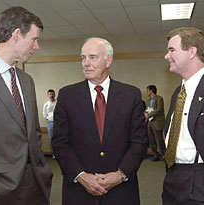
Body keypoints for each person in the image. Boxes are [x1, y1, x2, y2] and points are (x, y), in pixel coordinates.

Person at [0, 6, 53, 205]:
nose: (37, 47)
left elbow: (33, 133)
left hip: (36, 188)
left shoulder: (27, 80)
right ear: (16, 34)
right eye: (34, 39)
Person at [52, 37, 147, 205]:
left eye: (92, 57)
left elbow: (139, 142)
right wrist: (81, 176)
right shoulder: (67, 96)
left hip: (121, 192)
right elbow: (60, 143)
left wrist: (119, 175)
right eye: (83, 58)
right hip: (79, 193)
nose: (85, 63)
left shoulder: (130, 95)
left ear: (108, 60)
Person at [162, 27, 204, 204]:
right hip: (173, 177)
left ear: (192, 52)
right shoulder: (178, 93)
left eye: (172, 50)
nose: (166, 56)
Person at [145, 85, 166, 161]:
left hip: (157, 122)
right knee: (151, 139)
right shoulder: (147, 101)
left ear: (151, 91)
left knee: (159, 139)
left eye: (148, 90)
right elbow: (146, 110)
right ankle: (155, 155)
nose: (147, 92)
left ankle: (164, 154)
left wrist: (149, 114)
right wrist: (146, 114)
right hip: (150, 122)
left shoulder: (159, 99)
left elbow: (159, 109)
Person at [43, 89, 56, 159]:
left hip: (58, 123)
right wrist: (48, 118)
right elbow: (44, 114)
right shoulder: (46, 104)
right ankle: (53, 153)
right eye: (50, 94)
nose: (51, 95)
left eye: (52, 94)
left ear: (54, 94)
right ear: (48, 95)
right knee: (51, 138)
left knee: (59, 138)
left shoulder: (58, 103)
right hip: (50, 122)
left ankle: (59, 153)